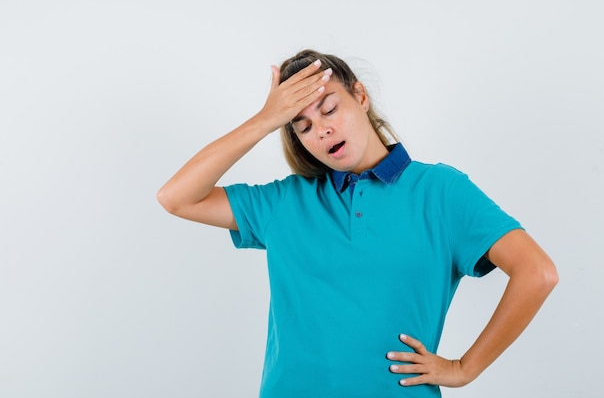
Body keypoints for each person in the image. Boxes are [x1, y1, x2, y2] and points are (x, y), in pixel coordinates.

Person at [157, 49, 558, 398]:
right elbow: (176, 197)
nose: (323, 129)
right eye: (303, 125)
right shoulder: (284, 201)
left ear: (360, 96)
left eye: (329, 108)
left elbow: (536, 272)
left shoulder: (440, 192)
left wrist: (463, 368)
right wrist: (265, 120)